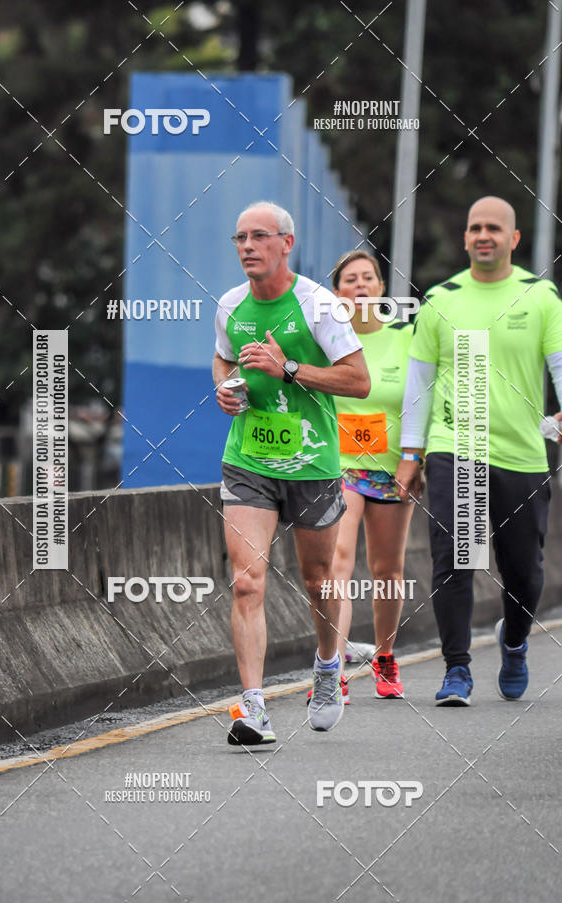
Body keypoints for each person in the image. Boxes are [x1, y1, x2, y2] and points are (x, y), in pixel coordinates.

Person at [213, 201, 370, 744]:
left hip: (312, 461)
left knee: (319, 581)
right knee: (246, 581)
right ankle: (253, 709)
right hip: (249, 459)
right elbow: (224, 358)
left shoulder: (319, 305)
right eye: (240, 238)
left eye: (259, 237)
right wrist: (225, 390)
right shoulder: (230, 305)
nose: (248, 246)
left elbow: (359, 381)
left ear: (287, 242)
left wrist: (290, 369)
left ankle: (328, 667)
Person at [396, 196, 562, 706]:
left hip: (522, 454)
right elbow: (419, 383)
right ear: (466, 238)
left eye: (494, 228)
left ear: (513, 239)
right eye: (474, 227)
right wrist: (410, 452)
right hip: (456, 449)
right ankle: (457, 671)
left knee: (524, 572)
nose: (483, 235)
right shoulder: (441, 300)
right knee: (455, 560)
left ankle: (514, 643)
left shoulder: (540, 296)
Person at [315, 251, 416, 704]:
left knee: (387, 570)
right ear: (337, 293)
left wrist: (415, 458)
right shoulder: (327, 343)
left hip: (393, 469)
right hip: (340, 465)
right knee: (338, 560)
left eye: (368, 277)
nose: (359, 285)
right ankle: (332, 667)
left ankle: (386, 656)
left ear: (380, 287)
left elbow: (422, 400)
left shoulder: (408, 337)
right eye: (349, 280)